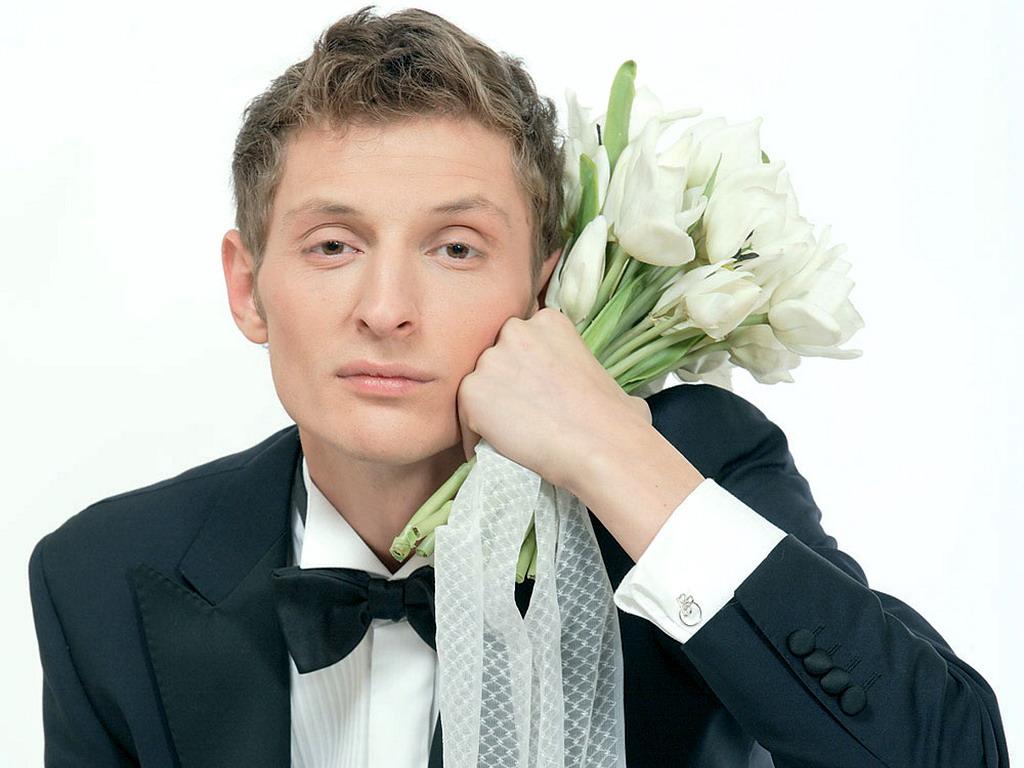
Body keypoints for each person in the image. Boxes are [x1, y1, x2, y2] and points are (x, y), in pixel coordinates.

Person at [28, 6, 1008, 767]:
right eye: (333, 245)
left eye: (456, 248)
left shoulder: (684, 469)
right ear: (248, 289)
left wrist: (612, 452)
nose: (386, 309)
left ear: (544, 288)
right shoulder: (100, 576)